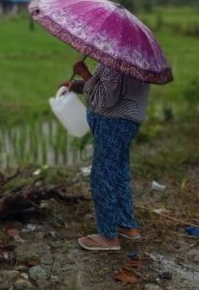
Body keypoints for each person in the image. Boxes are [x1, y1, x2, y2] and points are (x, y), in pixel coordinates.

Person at [64, 60, 149, 251]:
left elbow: (105, 99)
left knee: (103, 176)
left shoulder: (115, 62)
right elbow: (109, 89)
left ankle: (108, 236)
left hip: (112, 123)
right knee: (119, 173)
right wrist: (77, 86)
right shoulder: (135, 59)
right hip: (126, 123)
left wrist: (84, 73)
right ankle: (127, 225)